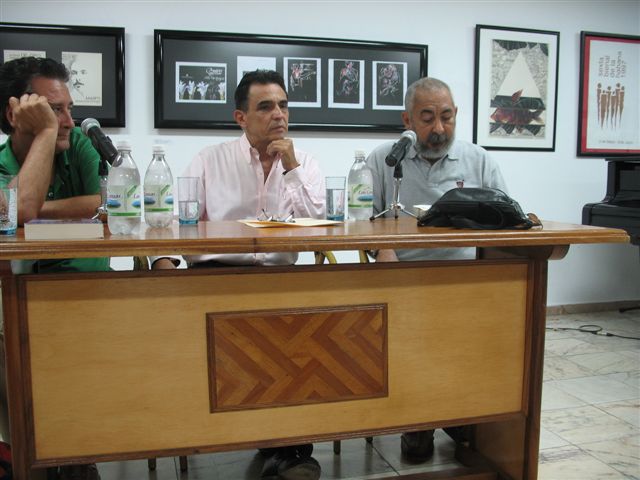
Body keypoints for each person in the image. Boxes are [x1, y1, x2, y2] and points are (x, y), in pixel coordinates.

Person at [152, 70, 325, 480]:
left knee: (308, 337)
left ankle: (291, 448)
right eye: (265, 106)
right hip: (216, 277)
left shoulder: (305, 163)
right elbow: (173, 221)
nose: (278, 115)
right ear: (240, 118)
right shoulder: (209, 160)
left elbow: (319, 225)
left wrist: (291, 167)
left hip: (281, 279)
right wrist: (163, 268)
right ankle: (247, 435)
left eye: (283, 105)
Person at [366, 76, 507, 461]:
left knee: (471, 350)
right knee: (411, 350)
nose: (438, 128)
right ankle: (418, 424)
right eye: (427, 118)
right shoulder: (384, 159)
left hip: (466, 280)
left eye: (446, 117)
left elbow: (508, 219)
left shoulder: (478, 160)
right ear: (407, 119)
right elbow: (362, 219)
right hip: (402, 280)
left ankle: (460, 415)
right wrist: (383, 249)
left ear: (456, 115)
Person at [0, 56, 108, 480]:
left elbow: (101, 205)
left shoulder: (79, 142)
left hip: (88, 293)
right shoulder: (6, 160)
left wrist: (34, 213)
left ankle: (79, 455)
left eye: (67, 108)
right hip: (21, 299)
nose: (68, 120)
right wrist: (43, 134)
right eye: (54, 110)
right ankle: (25, 453)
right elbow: (18, 208)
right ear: (15, 113)